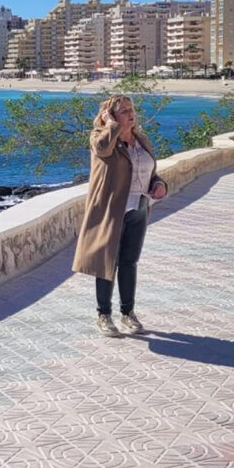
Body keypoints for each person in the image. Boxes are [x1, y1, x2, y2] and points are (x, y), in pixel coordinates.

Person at [72, 95, 168, 337]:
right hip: (113, 210)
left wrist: (159, 183)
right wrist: (111, 126)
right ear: (111, 116)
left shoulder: (141, 140)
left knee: (129, 262)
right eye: (123, 111)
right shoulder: (100, 138)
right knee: (107, 263)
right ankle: (103, 315)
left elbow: (148, 171)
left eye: (131, 109)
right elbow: (102, 150)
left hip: (139, 208)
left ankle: (128, 313)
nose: (130, 114)